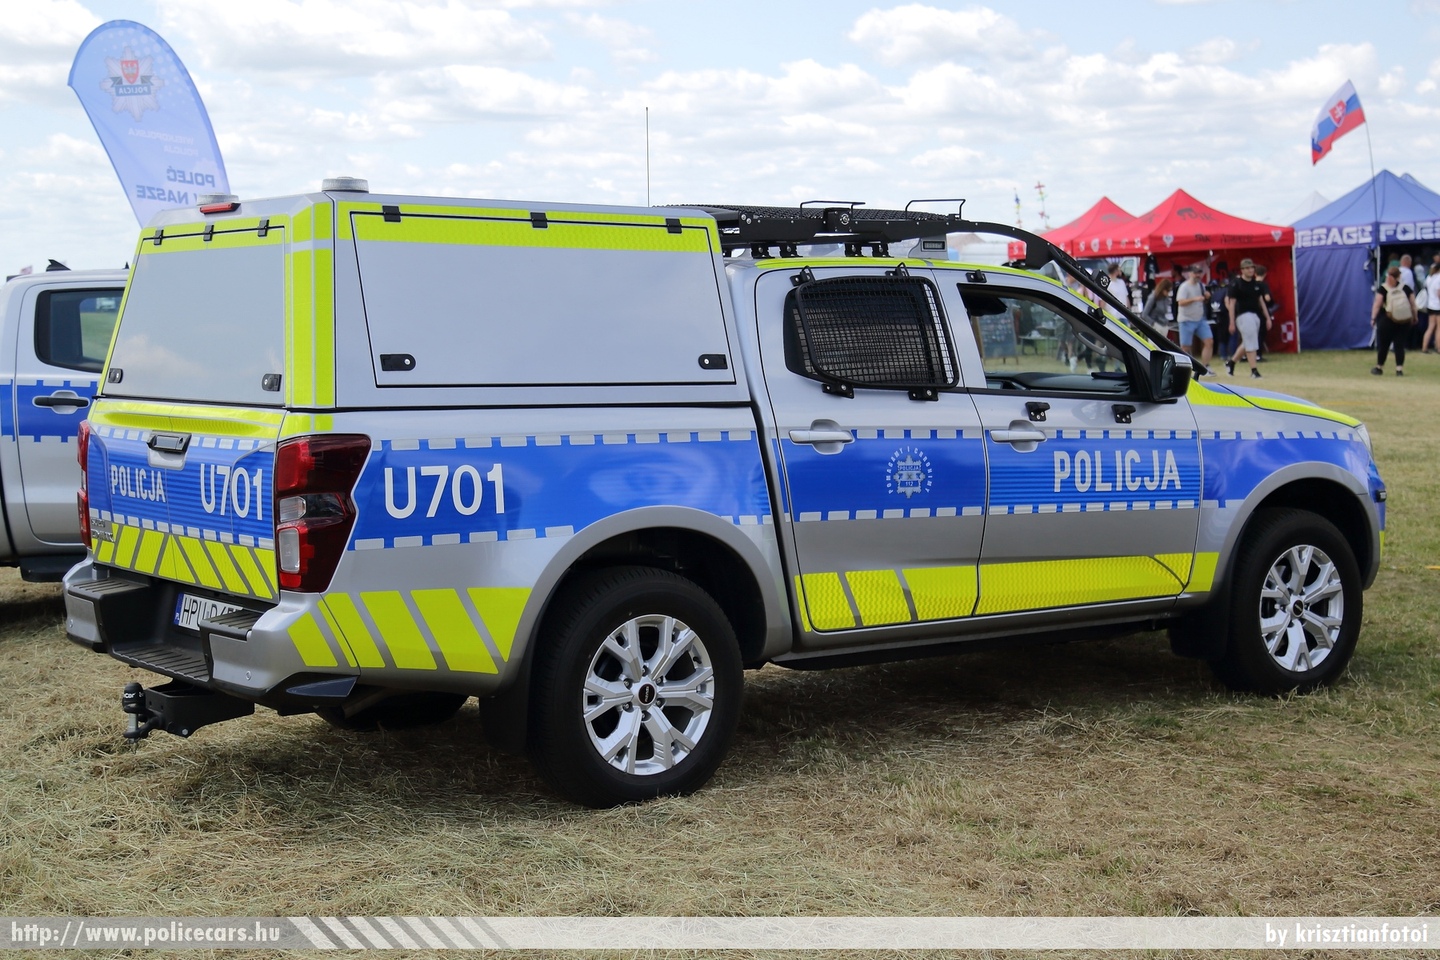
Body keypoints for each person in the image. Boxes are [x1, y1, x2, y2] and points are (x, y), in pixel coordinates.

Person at [1224, 258, 1269, 378]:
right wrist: (1232, 322)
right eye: (1247, 268)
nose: (1250, 270)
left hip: (1255, 316)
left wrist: (1267, 318)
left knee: (1248, 342)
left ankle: (1231, 363)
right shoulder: (1236, 284)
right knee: (1251, 344)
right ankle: (1254, 370)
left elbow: (1261, 302)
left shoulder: (1256, 284)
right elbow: (1231, 304)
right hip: (1243, 315)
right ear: (1242, 270)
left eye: (1252, 267)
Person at [1370, 265, 1416, 376]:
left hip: (1387, 320)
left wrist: (1373, 318)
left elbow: (1377, 304)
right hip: (1404, 321)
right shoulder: (1406, 288)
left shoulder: (1383, 288)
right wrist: (1414, 317)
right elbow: (1413, 305)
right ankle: (1399, 369)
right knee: (1399, 345)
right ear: (1399, 276)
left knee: (1384, 345)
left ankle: (1379, 367)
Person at [1176, 264, 1213, 366]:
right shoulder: (1184, 287)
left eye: (1199, 273)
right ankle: (1184, 367)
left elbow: (1203, 301)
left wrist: (1207, 297)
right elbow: (1180, 302)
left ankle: (1206, 366)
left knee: (1209, 341)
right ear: (1190, 274)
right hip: (1186, 319)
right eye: (1195, 273)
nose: (1198, 275)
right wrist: (1194, 299)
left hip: (1200, 318)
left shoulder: (1201, 285)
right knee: (1185, 347)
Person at [1253, 263, 1276, 360]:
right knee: (1261, 333)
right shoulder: (1263, 285)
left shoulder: (1251, 284)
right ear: (1265, 274)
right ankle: (1258, 354)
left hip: (1251, 311)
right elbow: (1267, 298)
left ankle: (1247, 354)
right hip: (1261, 312)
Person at [1422, 260, 1440, 353]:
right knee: (1439, 328)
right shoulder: (1439, 278)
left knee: (1430, 327)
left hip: (1430, 305)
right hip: (1438, 305)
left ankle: (1424, 347)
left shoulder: (1429, 277)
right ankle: (1438, 347)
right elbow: (1439, 293)